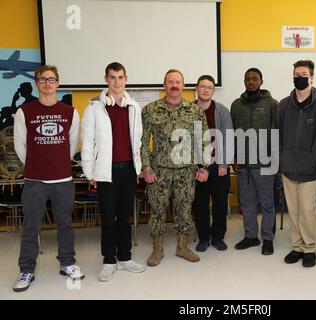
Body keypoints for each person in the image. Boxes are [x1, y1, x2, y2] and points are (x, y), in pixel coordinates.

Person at [12, 65, 83, 292]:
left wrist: (57, 164)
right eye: (43, 79)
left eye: (52, 79)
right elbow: (20, 146)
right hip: (35, 180)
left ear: (58, 83)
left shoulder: (70, 112)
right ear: (36, 83)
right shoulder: (25, 112)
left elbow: (71, 146)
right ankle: (26, 270)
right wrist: (37, 166)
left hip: (62, 179)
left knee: (65, 224)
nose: (48, 83)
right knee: (31, 227)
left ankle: (67, 263)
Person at [81, 62, 145, 282]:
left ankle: (125, 257)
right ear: (106, 79)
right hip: (105, 173)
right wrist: (90, 173)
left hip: (128, 170)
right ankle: (109, 260)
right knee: (108, 218)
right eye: (112, 77)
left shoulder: (134, 107)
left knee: (124, 217)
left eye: (120, 77)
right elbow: (87, 143)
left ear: (126, 78)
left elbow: (137, 140)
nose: (116, 82)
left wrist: (138, 167)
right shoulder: (94, 108)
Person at [141, 69, 210, 266]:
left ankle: (182, 247)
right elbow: (143, 141)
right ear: (164, 84)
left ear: (183, 85)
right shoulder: (150, 110)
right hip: (158, 170)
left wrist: (204, 166)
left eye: (178, 82)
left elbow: (204, 139)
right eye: (170, 81)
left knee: (185, 209)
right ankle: (157, 249)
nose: (174, 85)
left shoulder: (194, 111)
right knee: (157, 210)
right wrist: (146, 166)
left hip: (186, 171)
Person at [276, 60, 316, 267]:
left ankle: (309, 248)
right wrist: (281, 160)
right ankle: (296, 247)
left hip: (311, 169)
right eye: (296, 73)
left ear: (312, 77)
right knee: (294, 211)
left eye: (304, 74)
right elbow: (276, 135)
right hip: (288, 168)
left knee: (307, 211)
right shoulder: (283, 105)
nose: (300, 77)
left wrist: (315, 161)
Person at [231, 67, 278, 255]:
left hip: (265, 163)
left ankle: (268, 238)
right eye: (247, 79)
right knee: (247, 203)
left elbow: (276, 133)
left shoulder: (272, 104)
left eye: (254, 79)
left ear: (261, 81)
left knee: (267, 203)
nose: (251, 81)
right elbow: (232, 133)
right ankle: (251, 236)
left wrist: (275, 159)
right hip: (243, 164)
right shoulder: (236, 105)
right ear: (244, 81)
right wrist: (234, 156)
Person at [193, 75, 233, 252]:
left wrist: (224, 164)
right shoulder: (189, 109)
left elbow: (229, 137)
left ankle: (217, 237)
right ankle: (203, 238)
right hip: (197, 168)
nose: (206, 90)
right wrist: (198, 167)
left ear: (213, 90)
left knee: (220, 204)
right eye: (202, 86)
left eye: (209, 87)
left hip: (219, 167)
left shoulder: (222, 111)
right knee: (200, 204)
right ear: (197, 88)